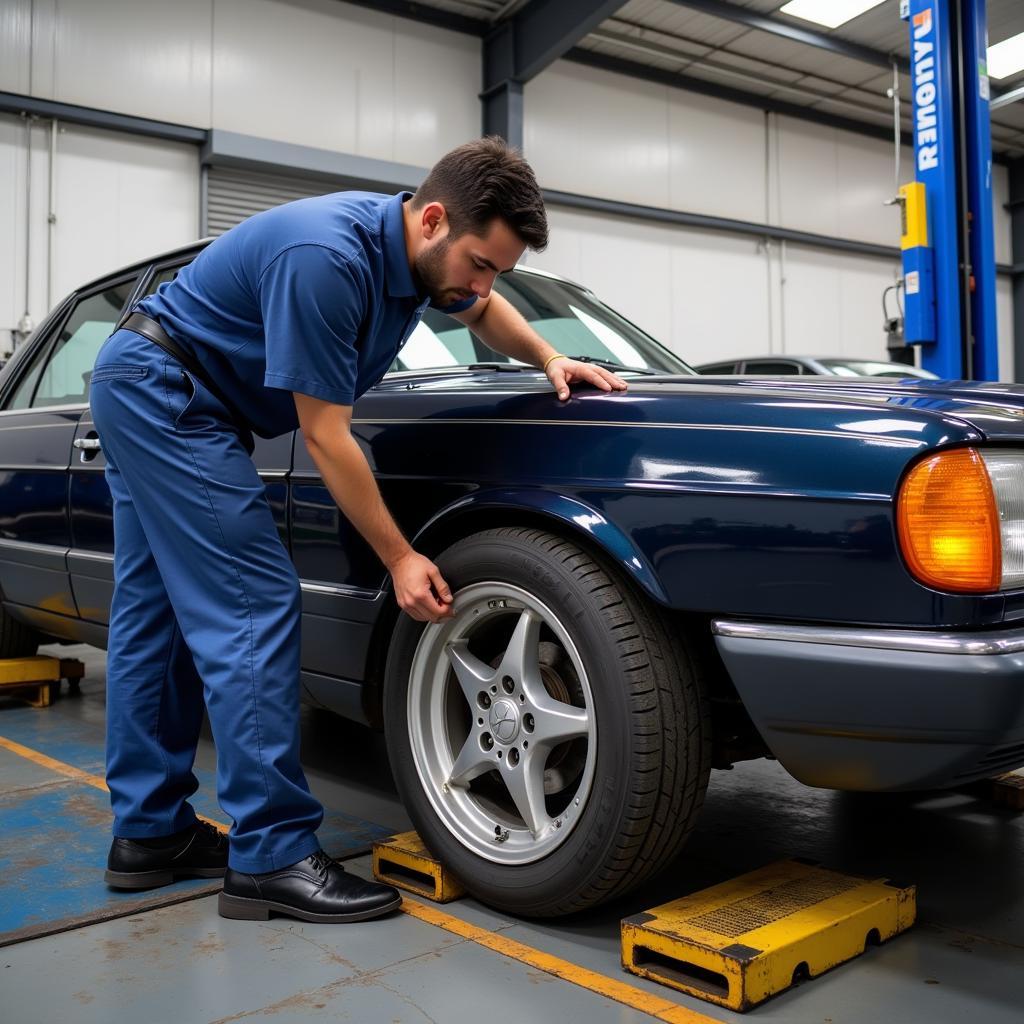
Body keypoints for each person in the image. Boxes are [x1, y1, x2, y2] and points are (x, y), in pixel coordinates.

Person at [90, 137, 627, 924]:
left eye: (498, 270)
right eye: (480, 261)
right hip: (169, 396)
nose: (483, 283)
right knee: (253, 600)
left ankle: (150, 836)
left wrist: (549, 356)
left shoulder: (423, 265)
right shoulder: (327, 259)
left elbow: (482, 309)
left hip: (150, 386)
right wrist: (401, 555)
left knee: (156, 615)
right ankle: (270, 855)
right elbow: (326, 437)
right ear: (434, 219)